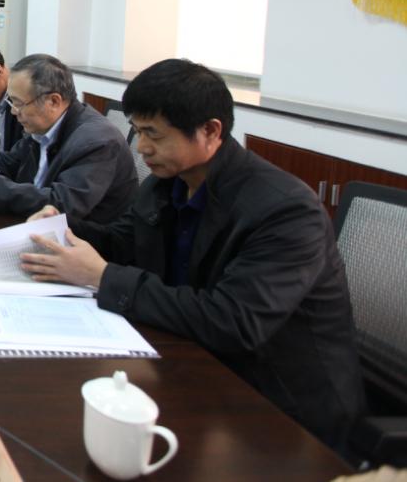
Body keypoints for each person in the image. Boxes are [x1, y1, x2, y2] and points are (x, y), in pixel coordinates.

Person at [19, 59, 364, 451]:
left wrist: (100, 276)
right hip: (190, 359)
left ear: (210, 131)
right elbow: (124, 242)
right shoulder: (168, 183)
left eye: (154, 134)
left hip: (280, 410)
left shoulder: (285, 210)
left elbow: (233, 322)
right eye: (137, 130)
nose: (141, 147)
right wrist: (64, 229)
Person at [0, 54, 137, 223]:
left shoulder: (96, 141)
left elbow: (60, 205)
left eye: (19, 103)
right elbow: (12, 160)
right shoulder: (45, 125)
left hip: (84, 242)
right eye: (11, 101)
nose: (14, 111)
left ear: (53, 101)